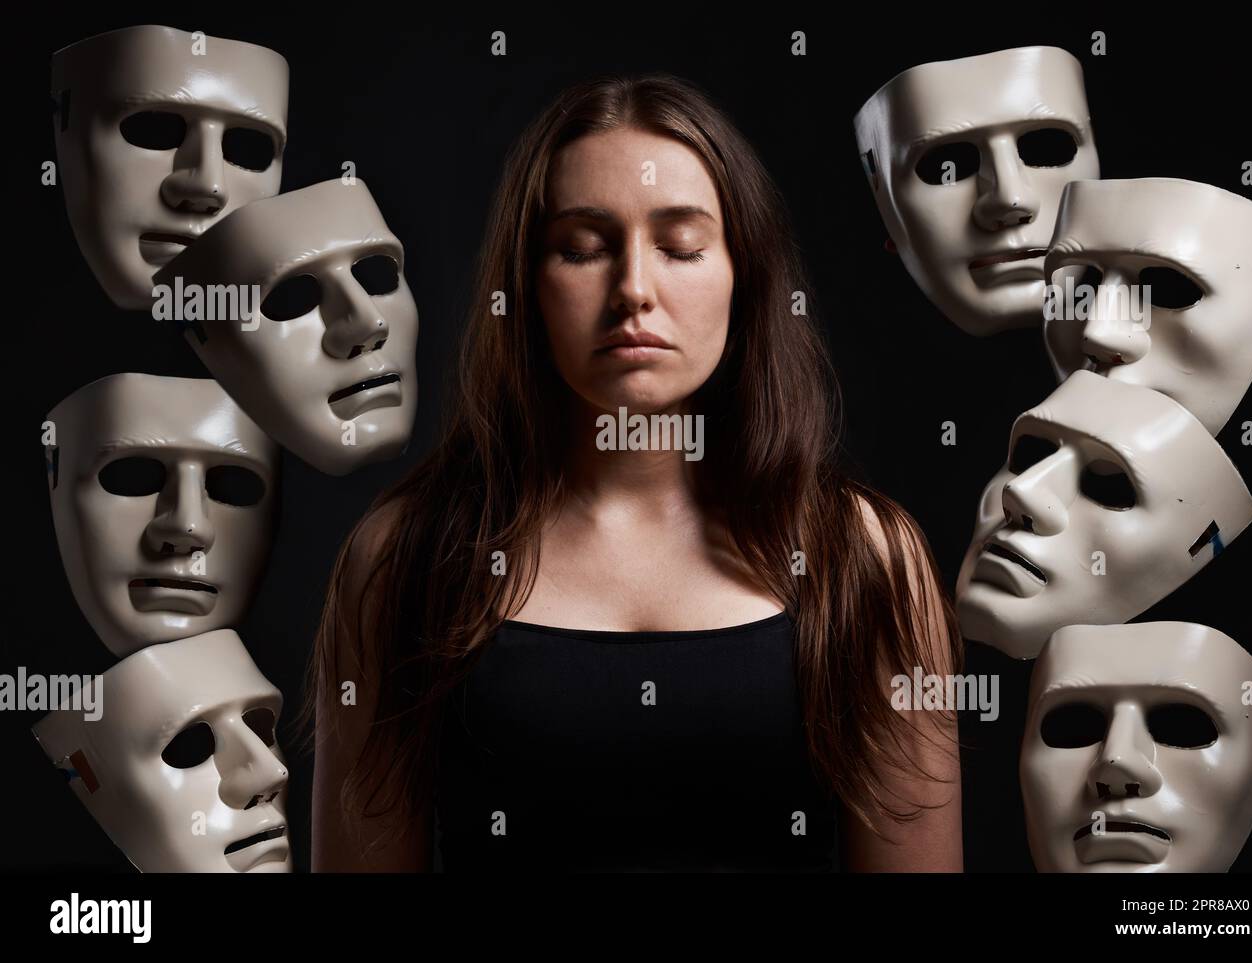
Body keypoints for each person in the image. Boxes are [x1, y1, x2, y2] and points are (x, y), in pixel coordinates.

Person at [302, 74, 962, 872]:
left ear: (743, 274)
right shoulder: (406, 557)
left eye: (681, 246)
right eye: (582, 248)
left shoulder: (866, 560)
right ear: (527, 282)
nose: (634, 292)